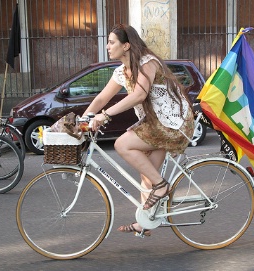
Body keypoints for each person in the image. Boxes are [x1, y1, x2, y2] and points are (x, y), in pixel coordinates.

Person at [83, 24, 195, 236]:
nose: (107, 46)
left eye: (111, 42)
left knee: (122, 144)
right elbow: (101, 98)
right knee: (147, 175)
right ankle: (146, 222)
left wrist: (105, 115)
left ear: (126, 45)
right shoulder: (121, 72)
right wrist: (83, 119)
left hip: (173, 123)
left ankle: (162, 186)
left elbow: (139, 95)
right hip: (155, 123)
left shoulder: (147, 63)